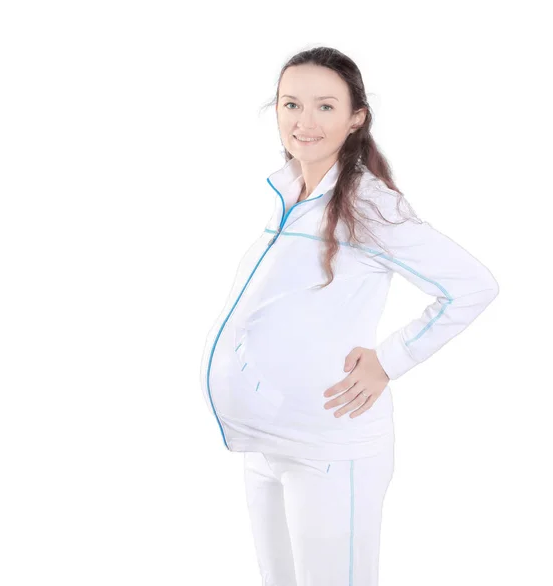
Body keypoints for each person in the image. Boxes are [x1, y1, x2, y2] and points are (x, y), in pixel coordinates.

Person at [199, 46, 499, 586]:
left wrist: (390, 359)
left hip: (330, 450)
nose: (303, 121)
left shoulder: (368, 202)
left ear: (356, 116)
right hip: (266, 445)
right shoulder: (289, 190)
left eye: (325, 107)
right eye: (291, 105)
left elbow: (472, 286)